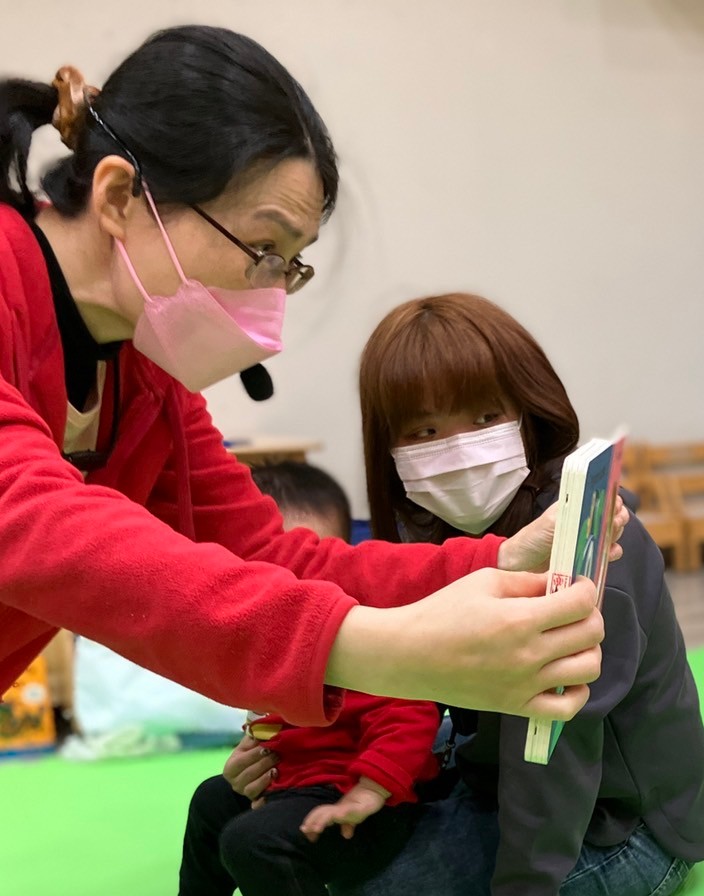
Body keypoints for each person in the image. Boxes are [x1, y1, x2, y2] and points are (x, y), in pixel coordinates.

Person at [0, 27, 614, 740]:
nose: (270, 298)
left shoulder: (148, 381)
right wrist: (387, 650)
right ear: (117, 197)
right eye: (262, 250)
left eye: (290, 265)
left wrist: (494, 558)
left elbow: (270, 555)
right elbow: (40, 525)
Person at [329, 293, 704, 896]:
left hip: (627, 825)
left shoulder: (598, 542)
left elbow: (557, 748)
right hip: (498, 756)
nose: (457, 447)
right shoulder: (435, 530)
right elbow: (408, 672)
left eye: (482, 418)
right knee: (331, 827)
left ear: (527, 411)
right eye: (424, 430)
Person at [128, 462, 437, 896]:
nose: (289, 589)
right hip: (300, 786)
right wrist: (253, 756)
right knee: (211, 801)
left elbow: (409, 713)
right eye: (263, 569)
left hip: (365, 808)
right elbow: (270, 728)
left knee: (251, 840)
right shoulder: (266, 646)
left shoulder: (362, 643)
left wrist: (368, 791)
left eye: (308, 564)